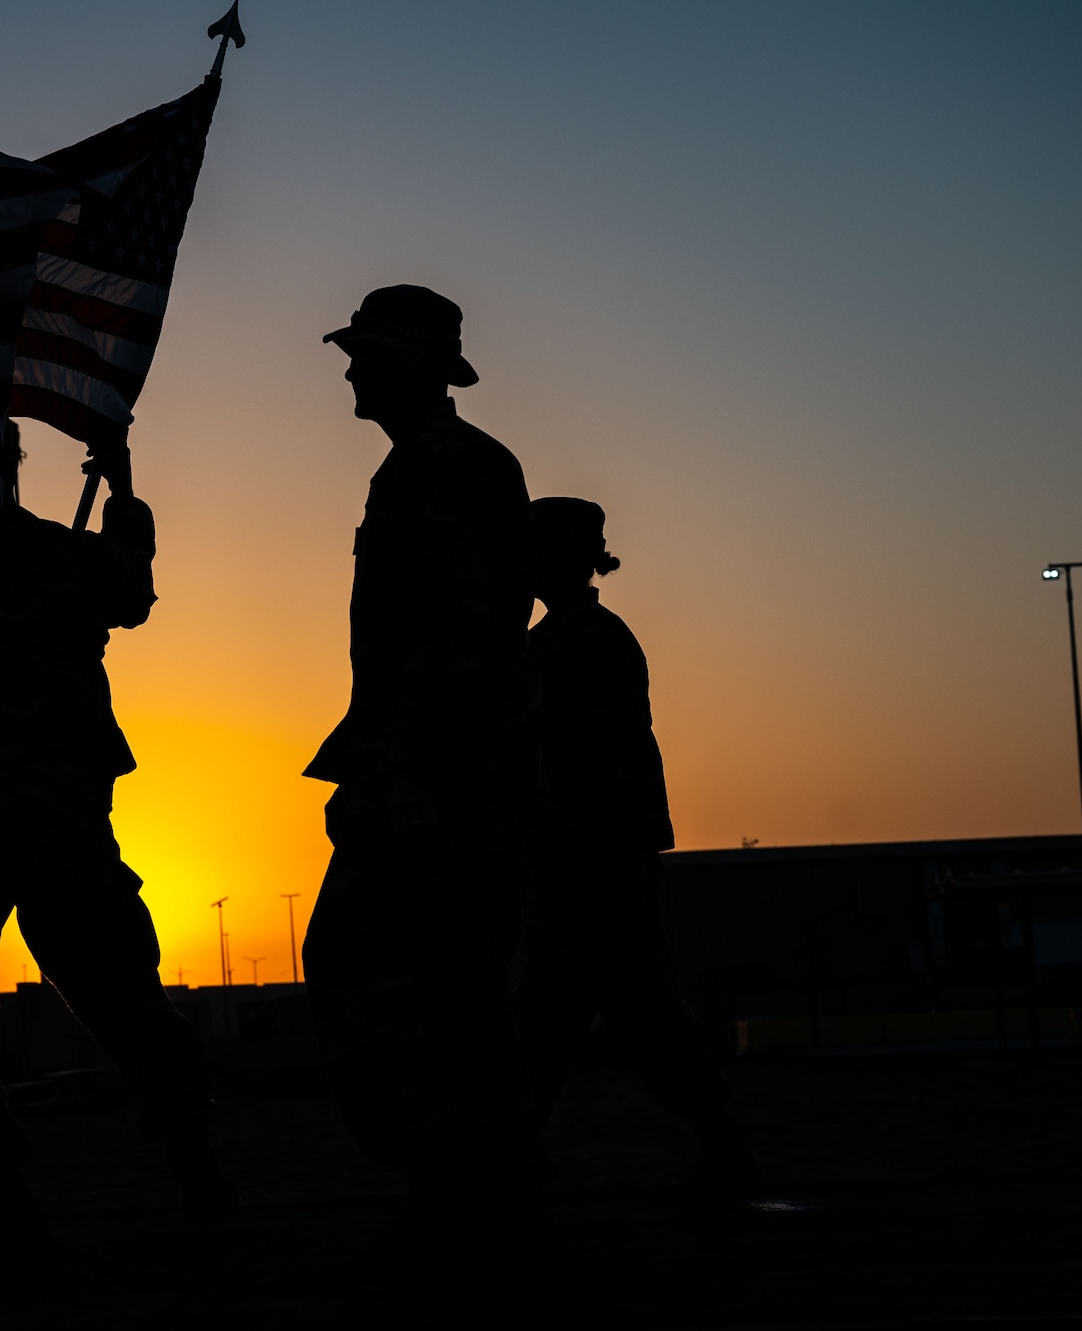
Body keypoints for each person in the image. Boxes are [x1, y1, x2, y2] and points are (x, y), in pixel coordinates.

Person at [0, 431, 233, 1251]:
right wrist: (125, 508)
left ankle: (3, 1193)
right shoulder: (63, 559)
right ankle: (192, 1158)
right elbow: (130, 590)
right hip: (59, 813)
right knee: (118, 989)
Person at [300, 285, 550, 1269]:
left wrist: (408, 776)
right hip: (458, 768)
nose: (352, 372)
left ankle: (453, 1182)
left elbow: (447, 634)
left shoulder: (443, 468)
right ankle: (500, 1203)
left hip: (442, 776)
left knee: (361, 969)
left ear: (407, 364)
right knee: (455, 989)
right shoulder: (431, 465)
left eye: (364, 355)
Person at [515, 497, 761, 1198]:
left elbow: (623, 752)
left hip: (588, 865)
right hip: (573, 861)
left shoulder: (586, 641)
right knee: (637, 1013)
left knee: (547, 1020)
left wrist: (629, 849)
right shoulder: (550, 641)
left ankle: (506, 1168)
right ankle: (724, 1150)